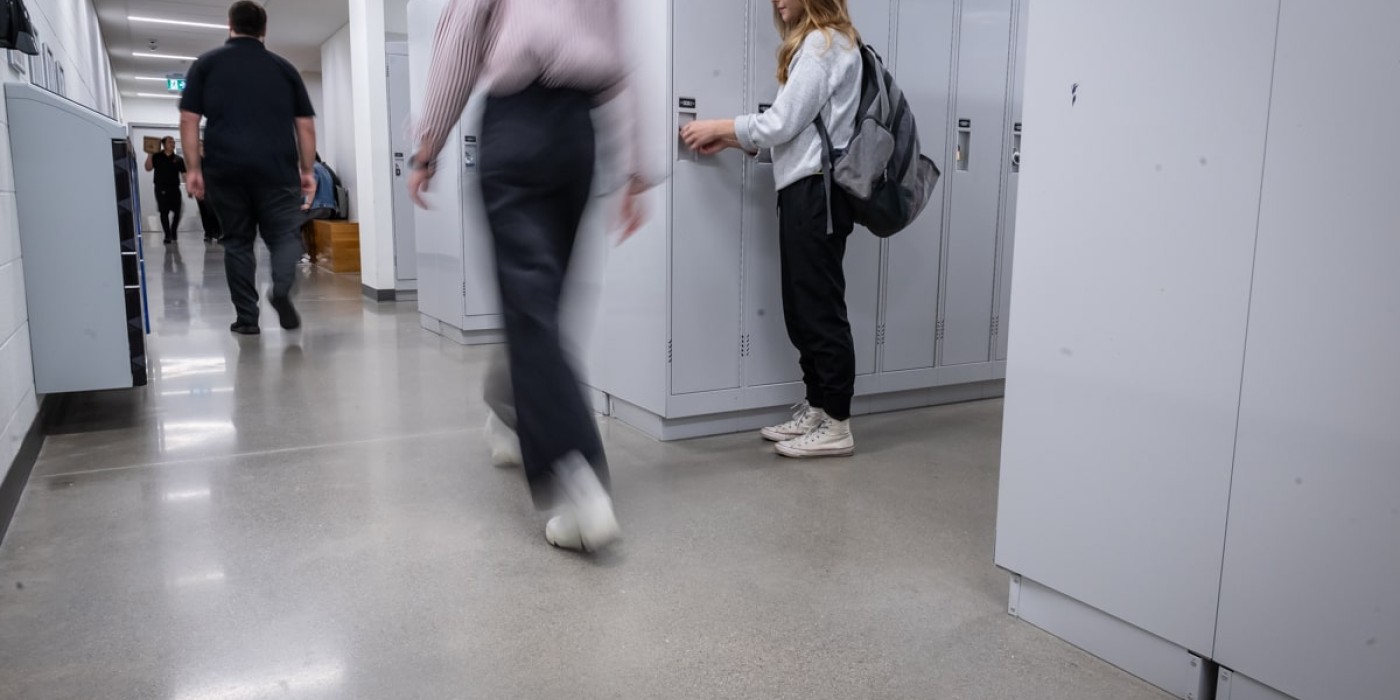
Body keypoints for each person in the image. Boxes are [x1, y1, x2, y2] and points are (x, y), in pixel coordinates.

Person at [410, 0, 649, 552]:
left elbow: (459, 39)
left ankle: (577, 474)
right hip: (578, 137)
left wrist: (427, 145)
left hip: (517, 123)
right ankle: (506, 407)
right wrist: (635, 166)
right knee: (541, 302)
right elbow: (622, 60)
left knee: (531, 302)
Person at [681, 0, 861, 459]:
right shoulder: (819, 44)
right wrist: (735, 140)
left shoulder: (824, 44)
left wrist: (724, 126)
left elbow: (781, 124)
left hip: (817, 194)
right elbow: (800, 132)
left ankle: (837, 423)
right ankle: (819, 406)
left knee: (818, 308)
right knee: (801, 307)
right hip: (803, 190)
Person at [178, 0, 317, 336]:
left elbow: (188, 119)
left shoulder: (206, 65)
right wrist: (307, 170)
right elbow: (305, 126)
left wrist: (194, 167)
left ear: (230, 25)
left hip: (225, 169)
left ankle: (247, 319)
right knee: (283, 236)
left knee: (238, 242)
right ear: (264, 30)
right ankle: (281, 288)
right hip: (276, 168)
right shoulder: (284, 69)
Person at [144, 137, 185, 244]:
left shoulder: (178, 159)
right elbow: (148, 168)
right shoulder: (157, 157)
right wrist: (150, 154)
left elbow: (184, 174)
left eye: (173, 142)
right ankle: (167, 235)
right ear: (163, 144)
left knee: (177, 211)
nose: (173, 143)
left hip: (175, 189)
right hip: (160, 189)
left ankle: (173, 230)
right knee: (164, 212)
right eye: (170, 142)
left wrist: (190, 185)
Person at [301, 154, 337, 265]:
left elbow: (312, 187)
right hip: (328, 208)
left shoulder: (312, 168)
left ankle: (304, 256)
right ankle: (306, 254)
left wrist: (307, 204)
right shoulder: (324, 168)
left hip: (320, 207)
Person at [193, 140, 222, 243]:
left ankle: (218, 232)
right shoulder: (194, 160)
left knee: (212, 211)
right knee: (204, 212)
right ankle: (208, 233)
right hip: (199, 189)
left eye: (200, 145)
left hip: (212, 188)